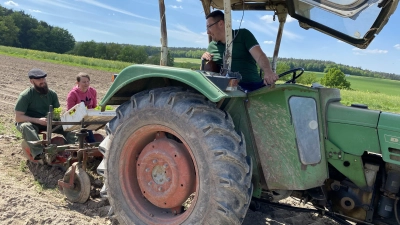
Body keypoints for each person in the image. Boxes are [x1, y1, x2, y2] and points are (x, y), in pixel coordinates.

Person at [201, 10, 279, 92]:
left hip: (252, 87)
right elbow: (205, 71)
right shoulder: (212, 46)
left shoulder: (243, 35)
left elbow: (259, 56)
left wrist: (268, 71)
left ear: (220, 23)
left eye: (209, 26)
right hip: (226, 89)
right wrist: (204, 60)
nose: (207, 32)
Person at [15, 68, 75, 160]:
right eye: (39, 79)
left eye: (43, 78)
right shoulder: (26, 95)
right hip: (31, 123)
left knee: (68, 126)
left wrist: (53, 118)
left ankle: (76, 149)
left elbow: (56, 112)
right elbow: (18, 117)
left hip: (47, 122)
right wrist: (37, 120)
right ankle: (39, 153)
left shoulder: (52, 94)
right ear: (32, 81)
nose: (42, 81)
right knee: (26, 126)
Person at [66, 72, 97, 143]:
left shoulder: (93, 91)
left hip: (87, 118)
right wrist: (80, 112)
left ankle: (91, 144)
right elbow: (70, 112)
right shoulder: (73, 94)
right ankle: (91, 144)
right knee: (86, 128)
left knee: (88, 126)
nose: (86, 84)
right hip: (75, 118)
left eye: (87, 81)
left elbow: (94, 106)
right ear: (77, 83)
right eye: (83, 82)